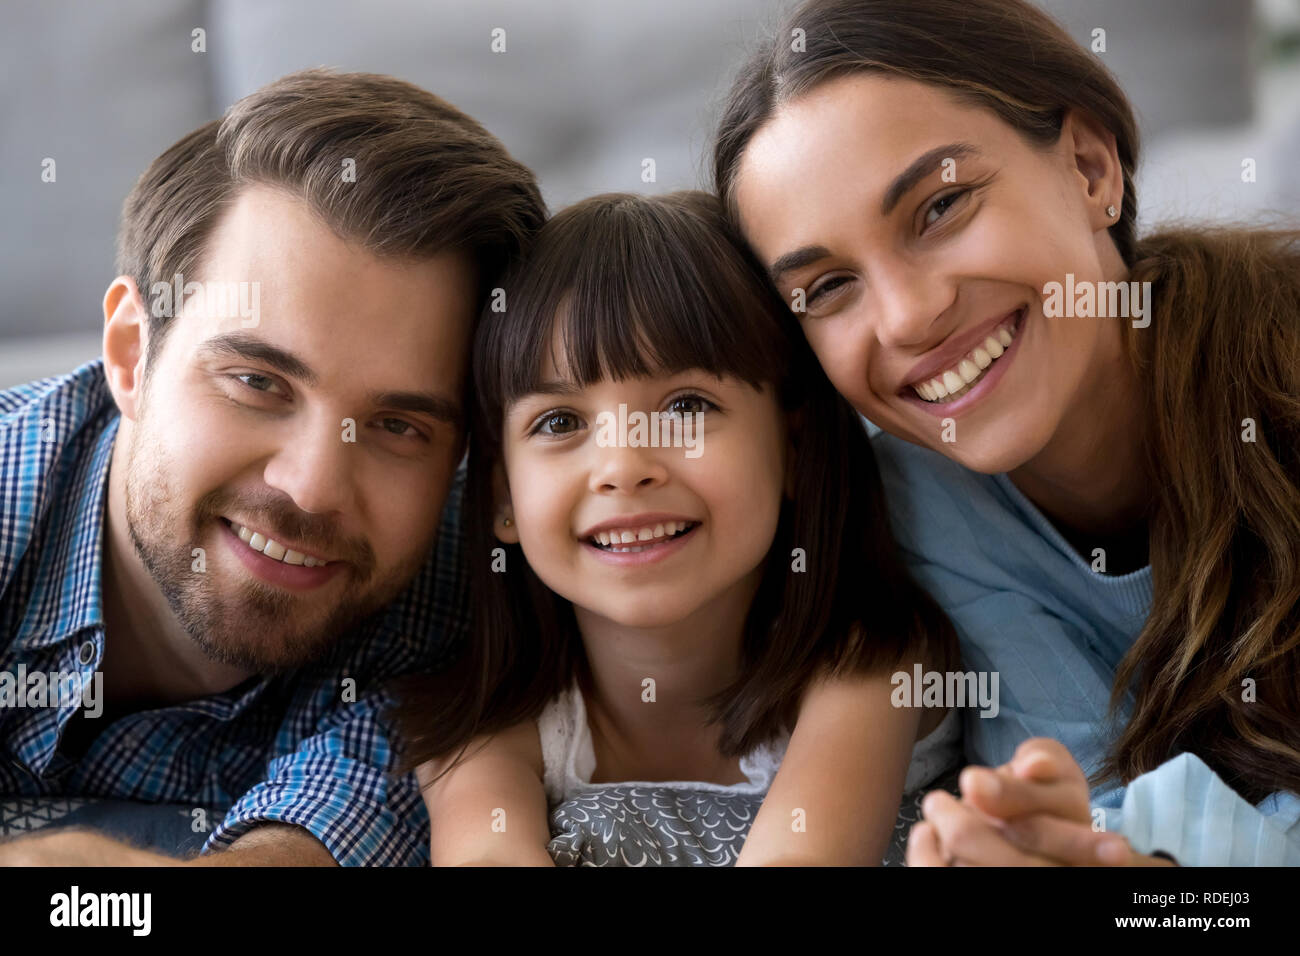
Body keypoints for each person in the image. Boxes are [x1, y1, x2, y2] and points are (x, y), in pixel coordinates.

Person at [712, 0, 1300, 865]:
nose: (909, 317)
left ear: (1090, 168)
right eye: (829, 288)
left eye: (942, 206)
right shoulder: (924, 510)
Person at [0, 68, 545, 865]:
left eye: (398, 426)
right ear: (130, 353)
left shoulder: (466, 594)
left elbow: (321, 834)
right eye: (258, 383)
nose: (314, 487)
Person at [392, 191, 960, 865]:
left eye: (686, 406)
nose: (623, 469)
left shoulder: (869, 663)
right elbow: (486, 857)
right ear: (502, 498)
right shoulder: (486, 723)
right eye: (560, 423)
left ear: (796, 453)